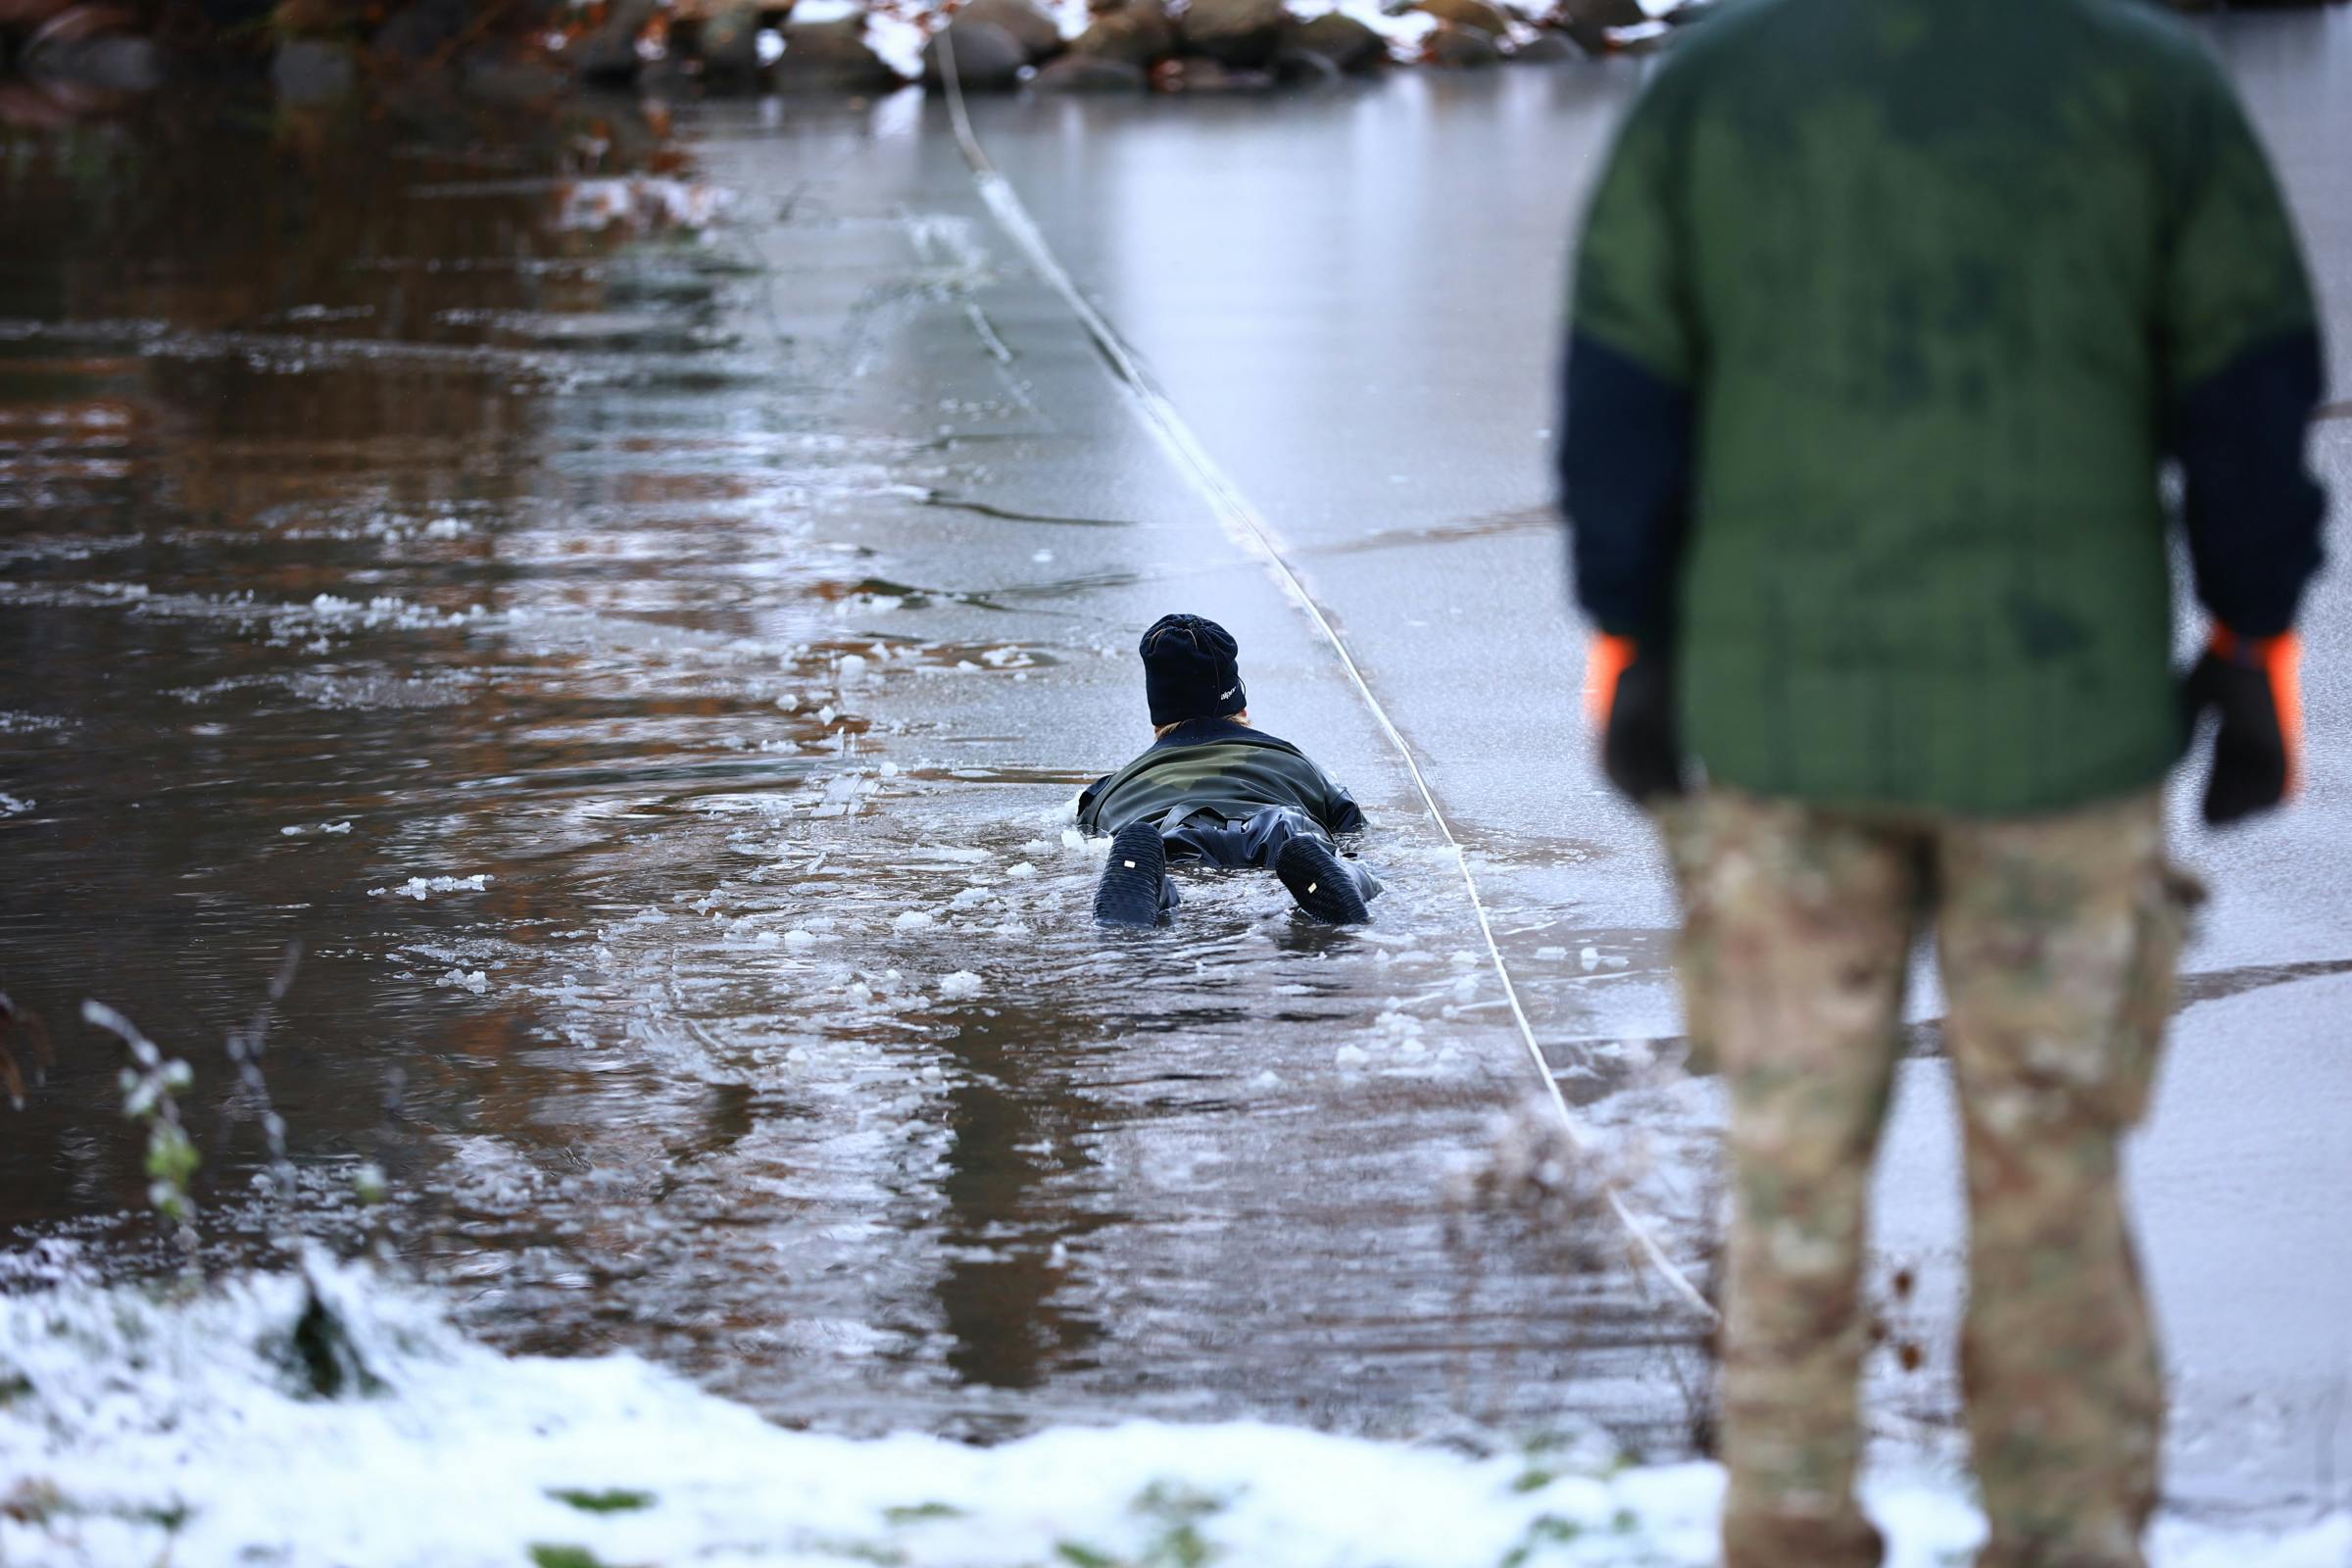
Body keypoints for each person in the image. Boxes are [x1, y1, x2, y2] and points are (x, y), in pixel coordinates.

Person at [1556, 1, 2328, 1565]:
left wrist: (1630, 644)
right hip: (2066, 732)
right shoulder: (2150, 83)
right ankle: (2061, 1539)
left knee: (1789, 1171)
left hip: (1782, 739)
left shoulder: (1715, 84)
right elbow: (2250, 392)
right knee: (2050, 1174)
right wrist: (2254, 642)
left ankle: (1789, 1530)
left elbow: (1621, 398)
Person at [1080, 613, 1378, 927]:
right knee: (1335, 856)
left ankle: (1158, 891)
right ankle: (1345, 880)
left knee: (1153, 853)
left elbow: (1086, 829)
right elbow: (1352, 827)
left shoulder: (1110, 789)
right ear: (1241, 707)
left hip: (1168, 830)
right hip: (1279, 825)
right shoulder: (1297, 764)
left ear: (1158, 719)